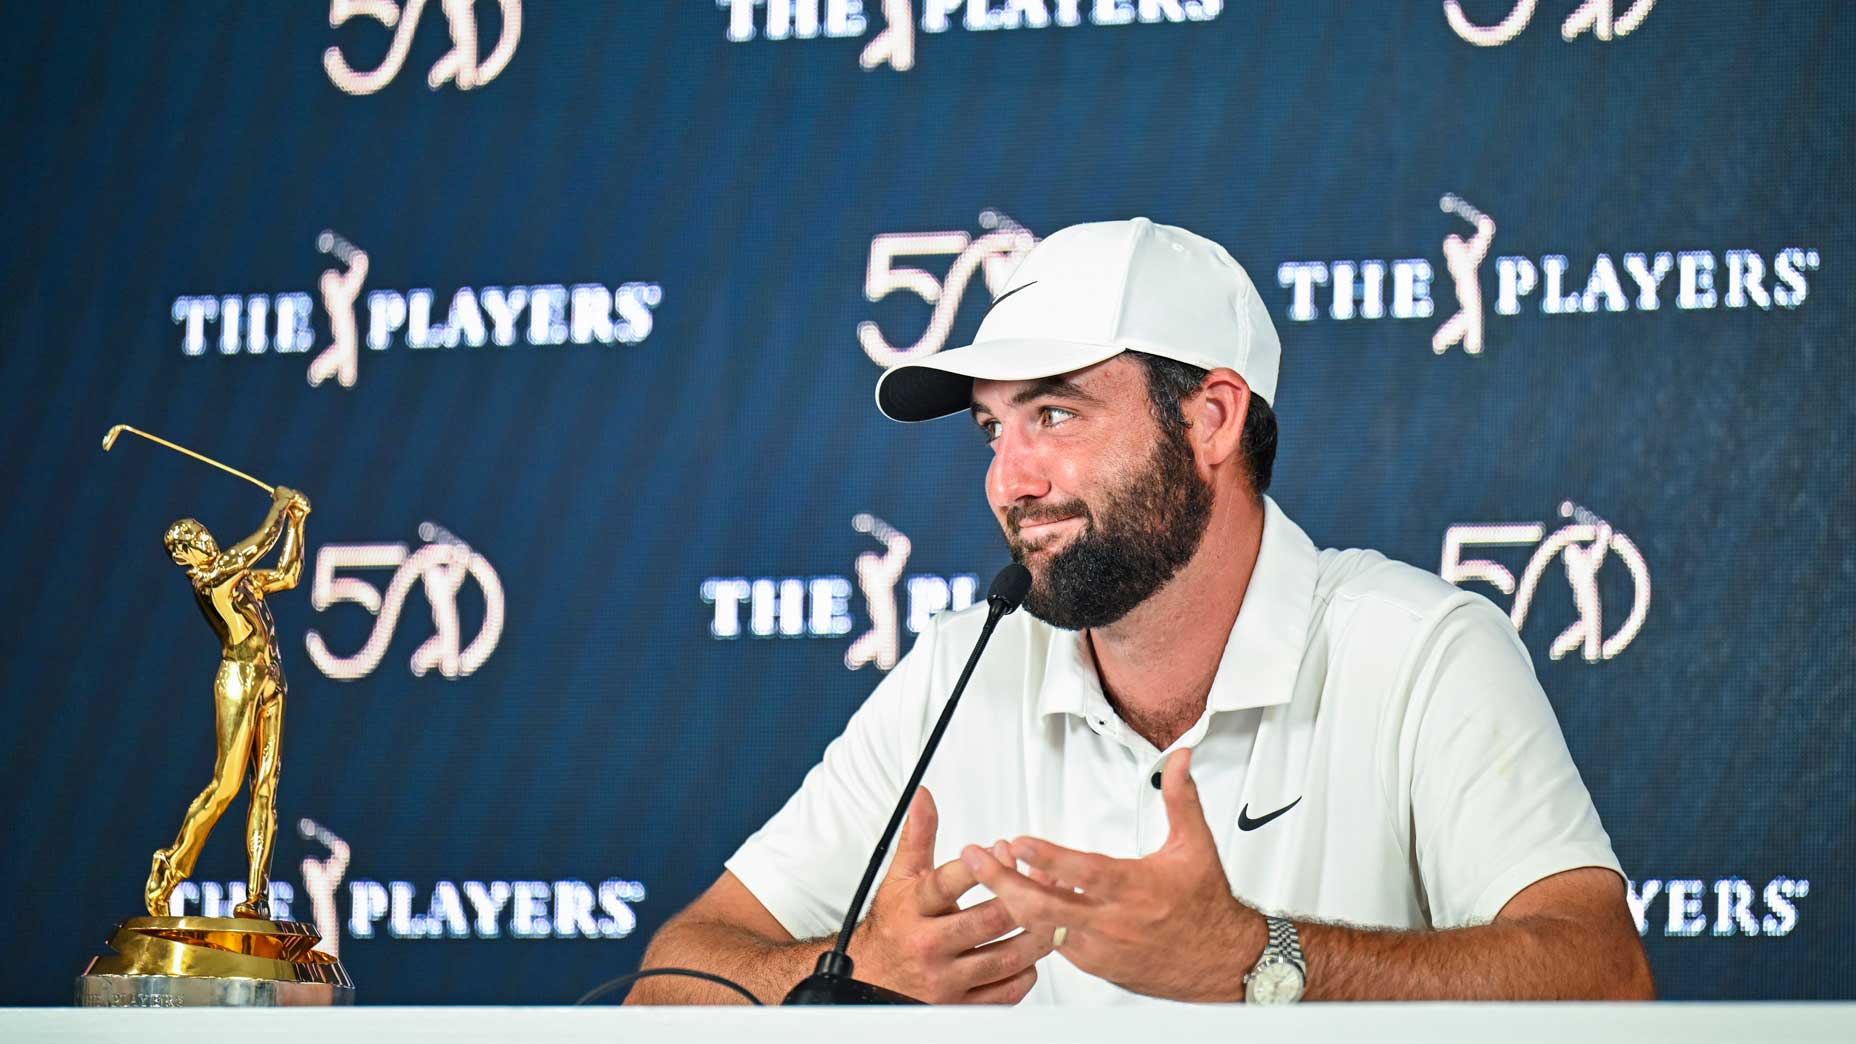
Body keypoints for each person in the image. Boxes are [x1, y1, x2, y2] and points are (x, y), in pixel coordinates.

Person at [628, 218, 1652, 1004]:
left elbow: (1604, 978)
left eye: (1054, 412)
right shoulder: (959, 669)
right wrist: (855, 973)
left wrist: (1256, 958)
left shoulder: (1420, 650)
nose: (1008, 481)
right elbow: (671, 980)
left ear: (1211, 419)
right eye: (992, 430)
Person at [145, 486, 311, 919]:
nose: (204, 538)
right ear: (183, 556)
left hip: (271, 679)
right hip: (239, 679)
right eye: (192, 539)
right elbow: (258, 545)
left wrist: (297, 523)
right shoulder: (212, 582)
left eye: (201, 531)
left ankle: (257, 896)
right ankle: (170, 865)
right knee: (226, 787)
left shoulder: (242, 581)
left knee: (266, 787)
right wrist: (280, 506)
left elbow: (288, 575)